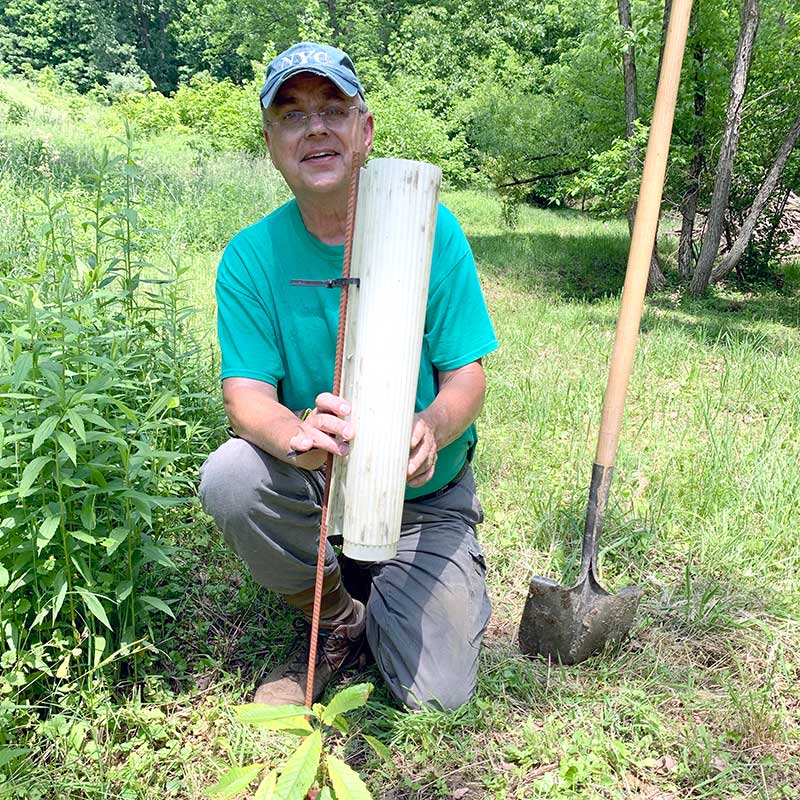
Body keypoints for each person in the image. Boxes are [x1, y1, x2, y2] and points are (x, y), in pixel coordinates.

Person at [199, 41, 498, 711]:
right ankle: (340, 616)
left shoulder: (431, 230)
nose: (316, 129)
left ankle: (412, 580)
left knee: (437, 699)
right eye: (293, 114)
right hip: (316, 492)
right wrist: (297, 434)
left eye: (334, 108)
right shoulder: (250, 257)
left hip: (425, 505)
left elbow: (467, 377)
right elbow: (245, 397)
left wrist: (433, 425)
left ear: (364, 130)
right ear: (272, 141)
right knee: (231, 476)